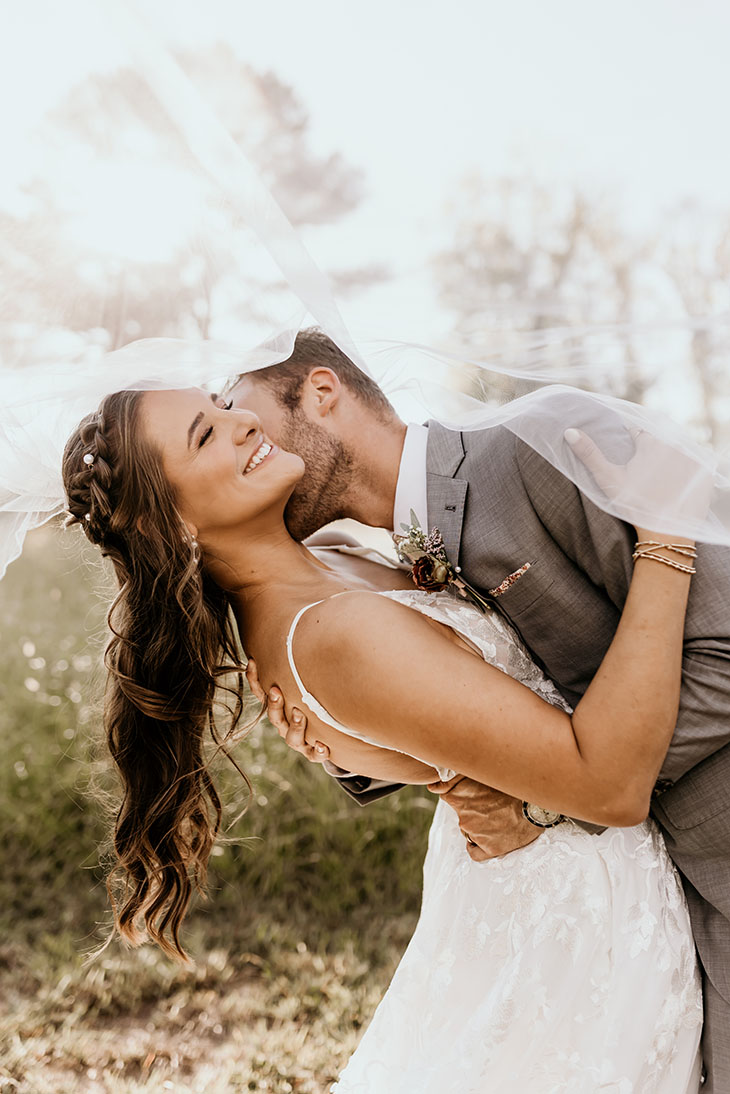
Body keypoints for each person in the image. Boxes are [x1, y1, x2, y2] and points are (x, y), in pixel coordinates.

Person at [62, 380, 704, 1091]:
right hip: (582, 921)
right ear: (170, 526)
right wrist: (666, 540)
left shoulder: (331, 557)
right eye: (205, 435)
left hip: (561, 876)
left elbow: (437, 718)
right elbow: (609, 786)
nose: (241, 421)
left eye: (219, 405)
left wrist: (447, 779)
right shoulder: (331, 636)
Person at [231, 329, 730, 1093]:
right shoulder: (368, 558)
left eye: (241, 411)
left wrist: (553, 798)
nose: (238, 436)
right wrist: (343, 738)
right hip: (644, 918)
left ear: (321, 392)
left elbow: (723, 647)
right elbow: (481, 708)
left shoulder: (544, 444)